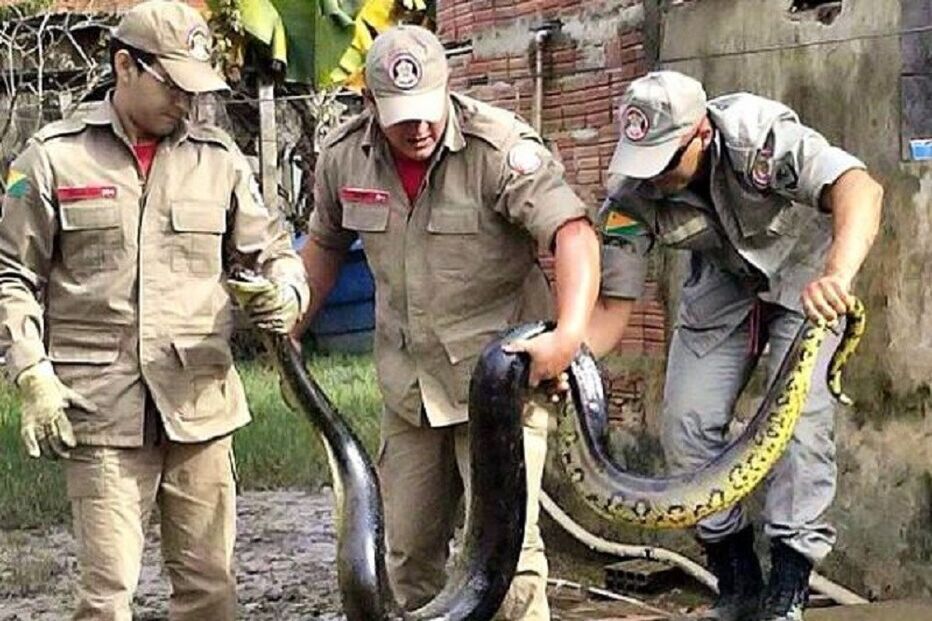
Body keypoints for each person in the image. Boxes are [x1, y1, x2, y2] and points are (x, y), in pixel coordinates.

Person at [0, 2, 308, 619]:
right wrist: (32, 372)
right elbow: (12, 273)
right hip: (102, 409)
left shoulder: (218, 160)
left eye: (195, 87)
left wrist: (286, 292)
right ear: (124, 65)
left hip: (199, 404)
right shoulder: (52, 158)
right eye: (172, 84)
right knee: (109, 595)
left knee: (211, 591)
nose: (186, 102)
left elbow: (273, 251)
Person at [293, 24, 600, 620]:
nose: (421, 127)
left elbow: (573, 233)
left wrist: (567, 335)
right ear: (370, 105)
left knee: (508, 564)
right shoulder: (343, 158)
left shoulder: (499, 148)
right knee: (405, 560)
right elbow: (325, 245)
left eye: (429, 110)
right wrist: (292, 325)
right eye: (402, 116)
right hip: (409, 390)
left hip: (500, 388)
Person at [585, 71, 883, 621]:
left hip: (807, 277)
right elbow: (614, 303)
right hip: (722, 284)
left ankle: (788, 586)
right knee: (685, 424)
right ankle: (737, 578)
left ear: (700, 132)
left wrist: (838, 275)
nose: (655, 178)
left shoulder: (757, 134)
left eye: (666, 160)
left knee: (800, 426)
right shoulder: (631, 192)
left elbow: (860, 188)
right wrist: (572, 359)